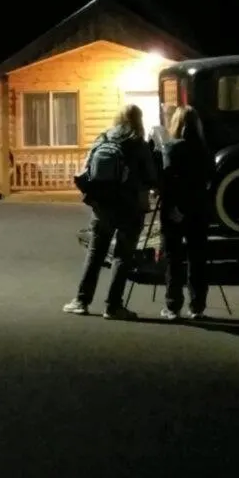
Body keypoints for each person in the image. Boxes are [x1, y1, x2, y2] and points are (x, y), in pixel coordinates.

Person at [64, 104, 158, 319]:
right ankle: (113, 306)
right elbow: (151, 177)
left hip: (103, 205)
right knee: (122, 257)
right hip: (130, 206)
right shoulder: (138, 144)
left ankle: (81, 300)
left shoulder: (103, 138)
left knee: (96, 253)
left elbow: (88, 168)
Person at [158, 105, 214, 320]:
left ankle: (173, 306)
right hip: (198, 208)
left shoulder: (171, 148)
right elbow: (210, 178)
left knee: (173, 258)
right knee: (197, 258)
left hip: (174, 210)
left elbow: (168, 180)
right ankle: (197, 306)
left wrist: (173, 207)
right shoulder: (203, 150)